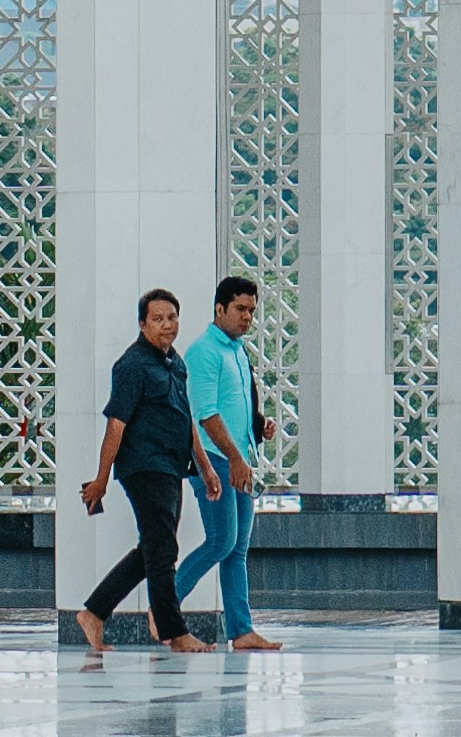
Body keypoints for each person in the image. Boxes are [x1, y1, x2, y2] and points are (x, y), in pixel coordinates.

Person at [71, 286, 212, 655]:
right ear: (142, 324)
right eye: (158, 319)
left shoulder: (175, 363)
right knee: (162, 549)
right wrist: (101, 479)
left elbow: (186, 420)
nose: (167, 325)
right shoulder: (131, 366)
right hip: (144, 467)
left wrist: (205, 468)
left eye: (172, 318)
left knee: (153, 548)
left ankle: (94, 613)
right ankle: (174, 631)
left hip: (171, 467)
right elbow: (115, 425)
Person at [183, 272, 284, 652]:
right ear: (219, 309)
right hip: (214, 460)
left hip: (239, 459)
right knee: (220, 541)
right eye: (240, 309)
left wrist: (259, 426)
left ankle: (241, 630)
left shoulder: (238, 351)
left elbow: (237, 405)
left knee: (236, 548)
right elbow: (206, 414)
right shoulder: (204, 352)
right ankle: (165, 607)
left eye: (251, 310)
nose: (247, 317)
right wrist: (234, 458)